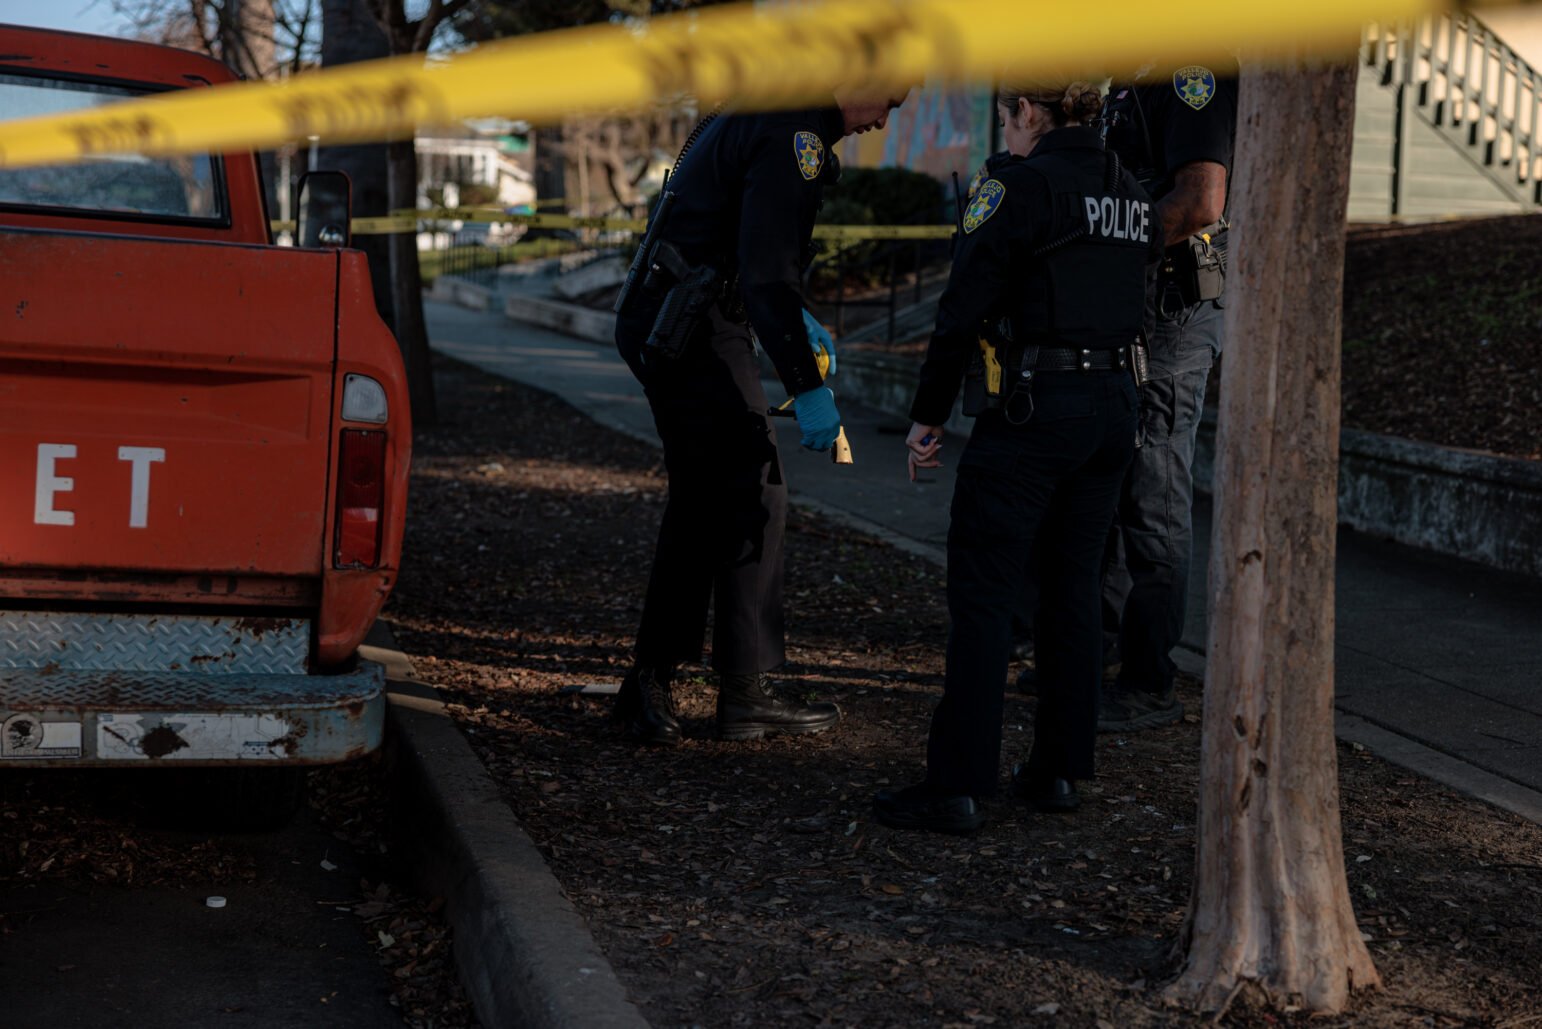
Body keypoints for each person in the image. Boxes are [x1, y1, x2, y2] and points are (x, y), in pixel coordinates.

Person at [874, 78, 1156, 833]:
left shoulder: (1019, 189)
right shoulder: (1127, 188)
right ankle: (1059, 769)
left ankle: (958, 783)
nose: (1008, 128)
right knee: (1072, 589)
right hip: (1112, 410)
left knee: (986, 591)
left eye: (1009, 116)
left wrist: (926, 417)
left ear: (1028, 111)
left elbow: (960, 308)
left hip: (1036, 411)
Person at [612, 85, 912, 746]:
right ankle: (744, 690)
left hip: (670, 315)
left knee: (704, 498)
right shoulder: (794, 131)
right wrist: (807, 386)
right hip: (690, 325)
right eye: (886, 102)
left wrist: (790, 320)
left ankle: (651, 683)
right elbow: (769, 275)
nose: (883, 121)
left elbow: (746, 248)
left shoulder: (763, 111)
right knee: (757, 493)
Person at [1097, 62, 1237, 732]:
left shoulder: (1194, 73)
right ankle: (1098, 648)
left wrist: (1098, 244)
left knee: (1154, 483)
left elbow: (1202, 200)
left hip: (1175, 309)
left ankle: (1149, 677)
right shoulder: (1133, 78)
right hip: (1136, 301)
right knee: (1116, 473)